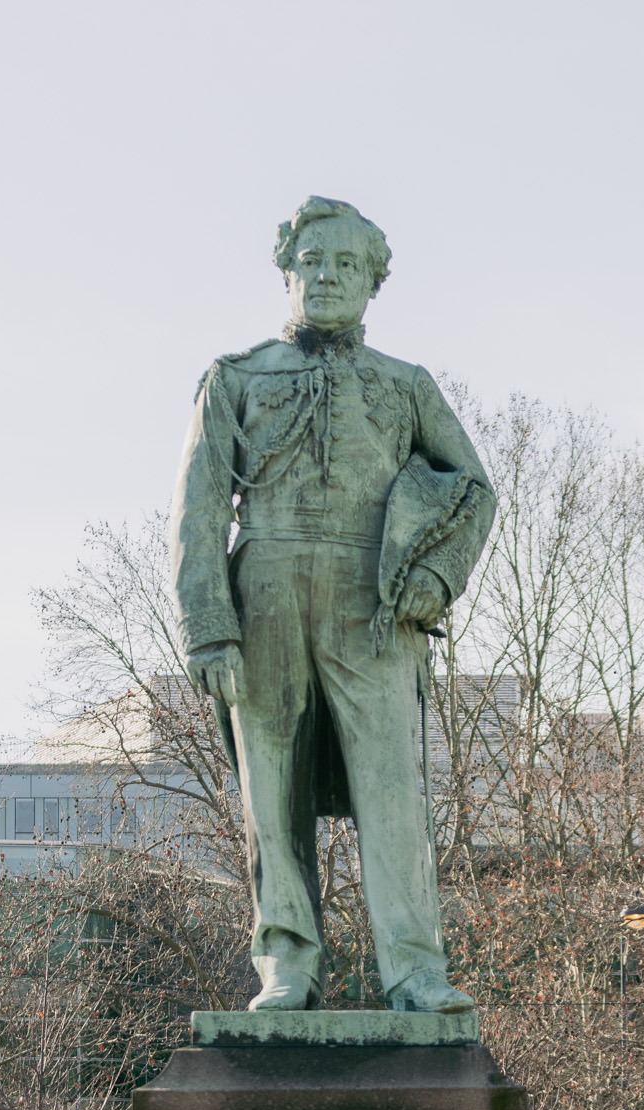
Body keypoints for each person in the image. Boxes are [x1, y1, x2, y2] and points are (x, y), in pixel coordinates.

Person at [168, 195, 495, 1013]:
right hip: (265, 590)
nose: (326, 277)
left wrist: (438, 575)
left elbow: (477, 489)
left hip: (373, 603)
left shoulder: (405, 385)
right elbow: (198, 512)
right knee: (269, 797)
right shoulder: (234, 378)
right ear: (286, 271)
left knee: (392, 793)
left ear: (373, 282)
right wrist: (209, 630)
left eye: (346, 265)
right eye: (312, 261)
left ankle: (415, 969)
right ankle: (286, 962)